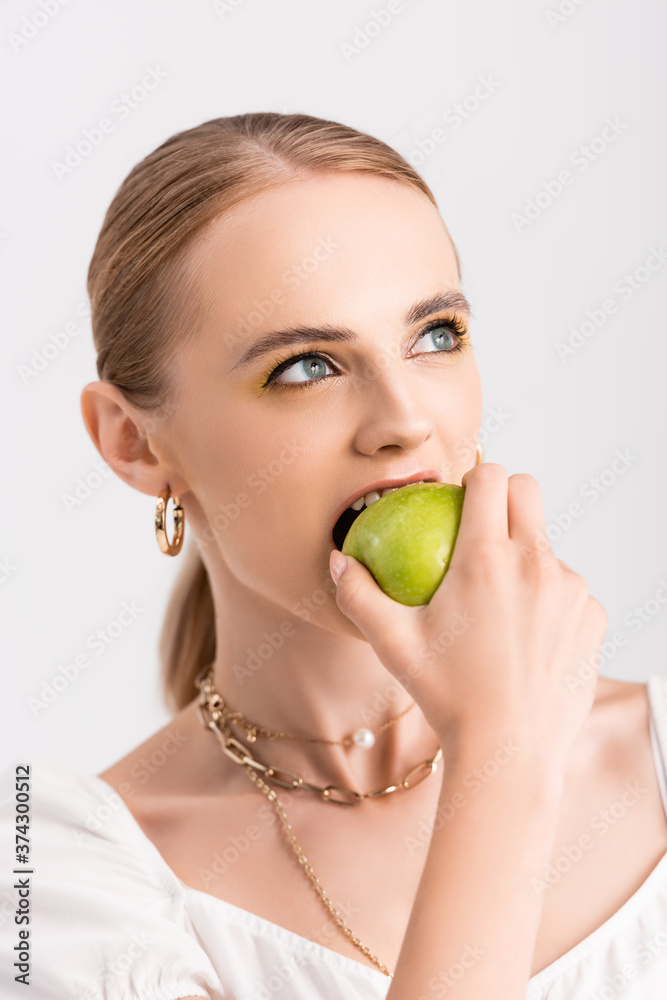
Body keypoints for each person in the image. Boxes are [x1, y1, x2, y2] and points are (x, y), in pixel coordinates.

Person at [1, 111, 667, 999]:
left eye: (435, 336)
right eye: (307, 366)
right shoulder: (59, 879)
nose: (405, 421)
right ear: (133, 443)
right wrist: (502, 752)